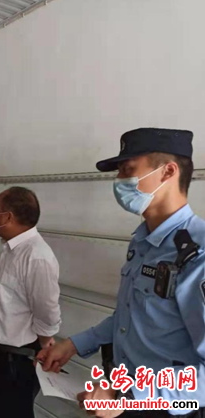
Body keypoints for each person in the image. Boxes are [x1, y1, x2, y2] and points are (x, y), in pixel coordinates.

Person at [38, 128, 205, 417]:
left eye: (128, 170)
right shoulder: (142, 241)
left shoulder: (196, 253)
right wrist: (75, 344)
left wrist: (129, 395)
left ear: (168, 171)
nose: (119, 181)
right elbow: (133, 316)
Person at [0, 186, 61, 418]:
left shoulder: (36, 256)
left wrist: (45, 345)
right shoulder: (11, 248)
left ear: (8, 217)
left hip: (14, 359)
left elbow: (47, 312)